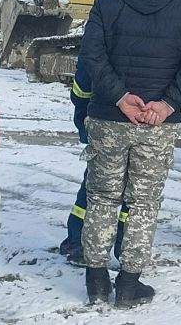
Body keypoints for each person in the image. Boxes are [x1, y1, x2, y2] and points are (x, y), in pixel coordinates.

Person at [79, 0, 181, 307]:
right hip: (157, 124)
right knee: (143, 204)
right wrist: (166, 104)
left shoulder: (106, 4)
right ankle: (130, 285)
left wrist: (120, 97)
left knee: (102, 196)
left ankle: (96, 282)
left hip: (109, 116)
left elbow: (92, 55)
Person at [58, 56, 127, 266]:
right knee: (138, 196)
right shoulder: (176, 25)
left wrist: (84, 119)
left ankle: (78, 242)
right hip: (152, 127)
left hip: (104, 121)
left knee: (96, 188)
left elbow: (83, 83)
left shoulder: (103, 26)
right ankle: (129, 252)